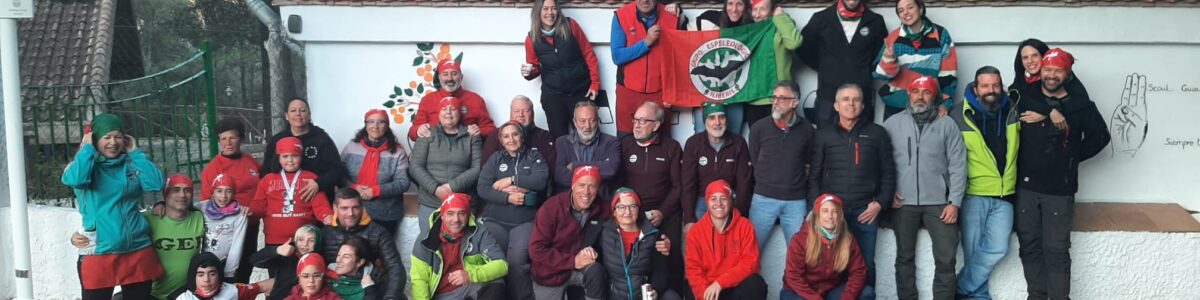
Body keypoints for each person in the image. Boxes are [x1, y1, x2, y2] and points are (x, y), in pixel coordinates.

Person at [1014, 48, 1109, 300]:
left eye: (1058, 70)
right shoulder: (1026, 96)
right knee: (1029, 246)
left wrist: (1071, 158)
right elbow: (1011, 97)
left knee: (1056, 250)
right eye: (1047, 69)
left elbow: (1101, 137)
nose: (1051, 75)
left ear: (1067, 74)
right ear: (1040, 71)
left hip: (1059, 192)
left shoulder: (1080, 105)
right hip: (1025, 190)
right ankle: (1036, 295)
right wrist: (1048, 112)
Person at [62, 113, 165, 300]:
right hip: (99, 250)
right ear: (95, 139)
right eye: (106, 137)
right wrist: (87, 148)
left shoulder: (130, 163)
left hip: (137, 248)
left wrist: (135, 153)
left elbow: (156, 183)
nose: (113, 142)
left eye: (118, 137)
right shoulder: (81, 166)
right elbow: (76, 180)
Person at [883, 75, 967, 300]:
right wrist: (887, 194)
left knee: (947, 258)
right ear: (908, 95)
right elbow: (881, 163)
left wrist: (954, 202)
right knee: (904, 258)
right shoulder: (892, 124)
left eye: (926, 92)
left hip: (940, 203)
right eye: (916, 92)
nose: (920, 97)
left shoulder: (947, 124)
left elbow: (958, 164)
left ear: (935, 96)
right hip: (902, 202)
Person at [806, 83, 894, 298]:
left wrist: (880, 203)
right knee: (833, 267)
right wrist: (817, 209)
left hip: (865, 212)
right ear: (836, 106)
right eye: (845, 99)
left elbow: (889, 173)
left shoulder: (877, 133)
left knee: (865, 265)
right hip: (833, 214)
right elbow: (814, 175)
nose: (851, 104)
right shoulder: (824, 135)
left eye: (856, 100)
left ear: (863, 106)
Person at [949, 66, 1020, 300]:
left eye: (995, 85)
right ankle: (979, 297)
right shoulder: (958, 114)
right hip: (974, 194)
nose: (991, 90)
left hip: (1005, 194)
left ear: (1001, 86)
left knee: (999, 247)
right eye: (985, 86)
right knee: (973, 252)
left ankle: (959, 289)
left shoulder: (1013, 111)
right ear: (976, 88)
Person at [617, 101, 686, 296]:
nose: (636, 125)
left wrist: (662, 212)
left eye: (643, 121)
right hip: (632, 211)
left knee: (670, 252)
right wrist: (629, 210)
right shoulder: (624, 145)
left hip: (664, 211)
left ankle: (673, 294)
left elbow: (678, 186)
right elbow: (617, 184)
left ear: (656, 125)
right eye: (635, 120)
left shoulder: (671, 147)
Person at [476, 121, 550, 300]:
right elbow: (483, 188)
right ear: (501, 140)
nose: (511, 139)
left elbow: (541, 180)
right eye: (506, 136)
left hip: (524, 222)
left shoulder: (534, 156)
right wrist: (507, 197)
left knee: (517, 262)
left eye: (515, 134)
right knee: (496, 262)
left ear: (522, 137)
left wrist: (512, 180)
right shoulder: (495, 159)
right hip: (495, 221)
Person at [747, 81, 815, 250]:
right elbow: (755, 160)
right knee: (750, 253)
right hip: (763, 199)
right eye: (774, 97)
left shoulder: (807, 130)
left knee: (799, 254)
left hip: (795, 202)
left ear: (795, 102)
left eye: (782, 98)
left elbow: (809, 162)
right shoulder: (759, 128)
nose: (776, 102)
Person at [798, 0, 887, 127]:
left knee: (863, 139)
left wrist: (864, 71)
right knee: (825, 138)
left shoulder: (876, 21)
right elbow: (803, 49)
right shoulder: (820, 19)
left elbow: (880, 56)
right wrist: (824, 67)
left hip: (861, 99)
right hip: (828, 99)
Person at [523, 0, 601, 138]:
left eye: (553, 8)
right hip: (553, 96)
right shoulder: (531, 38)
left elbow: (588, 53)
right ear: (538, 11)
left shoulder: (571, 26)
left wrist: (595, 84)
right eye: (545, 9)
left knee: (587, 135)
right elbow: (534, 68)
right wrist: (528, 73)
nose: (550, 13)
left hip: (580, 91)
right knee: (559, 138)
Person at [529, 166, 609, 300]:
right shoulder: (551, 208)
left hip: (582, 267)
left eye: (592, 186)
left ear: (598, 188)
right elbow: (536, 250)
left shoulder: (603, 208)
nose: (586, 191)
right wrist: (572, 261)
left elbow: (627, 212)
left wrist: (593, 252)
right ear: (573, 185)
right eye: (581, 185)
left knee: (596, 271)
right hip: (551, 272)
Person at [411, 193, 509, 300]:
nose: (456, 219)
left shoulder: (479, 231)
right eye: (450, 213)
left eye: (462, 213)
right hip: (442, 295)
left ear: (468, 215)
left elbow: (502, 264)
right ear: (442, 216)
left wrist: (470, 275)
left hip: (468, 286)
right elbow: (419, 280)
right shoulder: (426, 239)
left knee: (496, 284)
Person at [409, 96, 483, 237]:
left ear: (459, 113)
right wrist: (436, 189)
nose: (448, 112)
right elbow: (415, 166)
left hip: (462, 202)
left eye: (453, 109)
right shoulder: (427, 133)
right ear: (439, 113)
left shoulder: (472, 136)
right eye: (444, 109)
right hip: (431, 201)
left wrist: (452, 187)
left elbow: (478, 168)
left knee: (462, 242)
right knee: (429, 241)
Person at [610, 0, 684, 138]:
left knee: (662, 142)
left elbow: (682, 58)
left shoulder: (672, 15)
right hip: (628, 90)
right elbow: (617, 56)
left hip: (660, 92)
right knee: (625, 141)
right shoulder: (621, 16)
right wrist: (646, 42)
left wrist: (673, 91)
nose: (645, 0)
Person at [873, 0, 958, 119]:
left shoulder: (940, 34)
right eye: (901, 10)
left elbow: (949, 74)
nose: (905, 13)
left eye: (910, 7)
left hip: (930, 106)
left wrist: (945, 104)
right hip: (898, 105)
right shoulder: (893, 37)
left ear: (921, 9)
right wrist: (889, 59)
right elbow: (880, 74)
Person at [201, 118, 262, 282]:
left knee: (246, 267)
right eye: (223, 139)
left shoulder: (250, 161)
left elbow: (263, 186)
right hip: (227, 229)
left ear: (241, 139)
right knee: (228, 271)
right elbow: (206, 202)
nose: (228, 143)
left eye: (232, 138)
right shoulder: (213, 168)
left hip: (251, 223)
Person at [684, 180, 767, 300]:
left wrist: (720, 283)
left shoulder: (745, 226)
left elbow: (750, 263)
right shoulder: (695, 232)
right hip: (709, 290)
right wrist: (704, 295)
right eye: (713, 199)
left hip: (734, 286)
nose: (718, 203)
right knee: (690, 288)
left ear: (730, 201)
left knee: (756, 284)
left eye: (723, 198)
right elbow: (693, 269)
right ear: (707, 202)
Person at [321, 188, 407, 300]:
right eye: (344, 208)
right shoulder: (325, 233)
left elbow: (394, 267)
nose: (350, 213)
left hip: (371, 290)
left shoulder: (378, 232)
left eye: (355, 207)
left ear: (362, 207)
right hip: (333, 292)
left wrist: (391, 296)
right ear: (335, 208)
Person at [681, 101, 753, 233]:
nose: (717, 122)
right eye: (711, 118)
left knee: (730, 239)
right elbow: (688, 184)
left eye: (722, 117)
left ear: (727, 120)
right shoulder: (693, 143)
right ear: (705, 121)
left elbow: (744, 184)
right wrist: (689, 219)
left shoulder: (739, 143)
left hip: (729, 199)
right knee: (698, 239)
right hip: (702, 199)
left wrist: (739, 216)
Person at [781, 194, 868, 300]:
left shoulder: (847, 239)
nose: (830, 216)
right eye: (825, 211)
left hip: (829, 291)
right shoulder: (800, 239)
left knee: (867, 293)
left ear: (840, 216)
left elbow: (859, 272)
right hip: (799, 292)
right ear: (817, 214)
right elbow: (793, 277)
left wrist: (847, 298)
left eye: (834, 211)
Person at [253, 137, 335, 247]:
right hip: (274, 240)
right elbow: (259, 205)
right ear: (278, 158)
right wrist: (250, 213)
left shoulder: (310, 178)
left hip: (305, 240)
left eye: (295, 156)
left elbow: (320, 205)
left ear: (301, 157)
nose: (290, 160)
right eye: (285, 156)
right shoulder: (267, 180)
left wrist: (327, 217)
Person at [341, 109, 411, 236]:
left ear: (387, 125)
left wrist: (375, 191)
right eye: (371, 122)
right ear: (365, 124)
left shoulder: (398, 152)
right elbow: (339, 175)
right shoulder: (351, 147)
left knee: (382, 247)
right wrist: (354, 188)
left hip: (386, 213)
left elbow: (403, 182)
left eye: (381, 122)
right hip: (353, 211)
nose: (375, 126)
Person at [262, 97, 346, 202]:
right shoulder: (277, 140)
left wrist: (319, 184)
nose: (298, 114)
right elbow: (267, 170)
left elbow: (336, 170)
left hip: (317, 197)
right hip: (283, 199)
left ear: (309, 115)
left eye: (302, 110)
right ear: (286, 116)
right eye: (293, 110)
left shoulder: (322, 139)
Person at [600, 188, 678, 300]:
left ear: (639, 209)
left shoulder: (652, 234)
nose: (627, 212)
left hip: (644, 296)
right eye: (621, 207)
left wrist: (656, 290)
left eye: (632, 206)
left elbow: (661, 270)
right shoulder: (604, 233)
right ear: (614, 211)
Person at [687, 0, 752, 134]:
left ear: (746, 6)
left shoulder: (751, 27)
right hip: (707, 92)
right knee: (701, 134)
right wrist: (677, 11)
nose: (734, 9)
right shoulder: (710, 18)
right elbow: (682, 37)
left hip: (735, 93)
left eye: (739, 4)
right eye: (730, 3)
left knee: (734, 135)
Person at [740, 0, 804, 129]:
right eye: (755, 9)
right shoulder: (749, 31)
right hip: (755, 98)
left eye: (762, 9)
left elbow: (794, 43)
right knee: (759, 138)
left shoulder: (780, 25)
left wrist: (780, 17)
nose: (757, 14)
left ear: (772, 10)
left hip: (781, 97)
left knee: (784, 137)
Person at [1009, 38, 1090, 131]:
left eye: (1035, 55)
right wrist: (1048, 111)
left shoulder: (1059, 75)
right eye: (1025, 57)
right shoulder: (1022, 77)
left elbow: (1082, 100)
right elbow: (1015, 94)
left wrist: (1050, 113)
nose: (1030, 61)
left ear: (1044, 56)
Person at [149, 174, 209, 299]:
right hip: (152, 293)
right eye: (176, 190)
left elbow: (221, 209)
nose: (182, 195)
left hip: (187, 294)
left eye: (187, 190)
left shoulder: (199, 217)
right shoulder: (149, 218)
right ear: (166, 194)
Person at [408, 59, 496, 141]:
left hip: (467, 150)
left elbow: (491, 130)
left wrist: (479, 131)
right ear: (439, 77)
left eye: (454, 74)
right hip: (434, 149)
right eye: (445, 74)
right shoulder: (428, 100)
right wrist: (419, 130)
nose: (450, 78)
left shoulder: (475, 99)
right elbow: (412, 133)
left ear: (461, 77)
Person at [553, 101, 621, 202]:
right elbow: (560, 176)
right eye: (582, 121)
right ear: (575, 122)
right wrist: (596, 175)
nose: (588, 126)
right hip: (570, 201)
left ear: (597, 120)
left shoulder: (611, 142)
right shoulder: (562, 142)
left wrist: (575, 165)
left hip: (601, 200)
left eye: (592, 121)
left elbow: (610, 170)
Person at [482, 95, 557, 176]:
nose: (521, 114)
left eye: (526, 111)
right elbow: (486, 169)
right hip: (500, 182)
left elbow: (550, 170)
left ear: (533, 113)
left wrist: (519, 181)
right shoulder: (495, 135)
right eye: (516, 111)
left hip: (536, 182)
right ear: (510, 113)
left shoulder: (544, 137)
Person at [199, 174, 251, 280]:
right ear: (212, 192)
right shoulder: (201, 208)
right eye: (219, 191)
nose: (223, 196)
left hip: (223, 264)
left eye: (228, 191)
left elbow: (237, 247)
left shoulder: (240, 214)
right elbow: (183, 209)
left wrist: (229, 274)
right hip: (201, 263)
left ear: (234, 193)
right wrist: (163, 206)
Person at [250, 225, 323, 300]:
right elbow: (254, 260)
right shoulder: (286, 255)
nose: (305, 244)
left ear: (317, 242)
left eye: (311, 241)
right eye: (301, 239)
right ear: (295, 240)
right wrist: (276, 250)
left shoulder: (321, 260)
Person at [174, 252, 271, 300]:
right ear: (193, 277)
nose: (206, 279)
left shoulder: (232, 290)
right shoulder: (182, 298)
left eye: (212, 274)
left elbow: (263, 286)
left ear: (219, 275)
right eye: (200, 275)